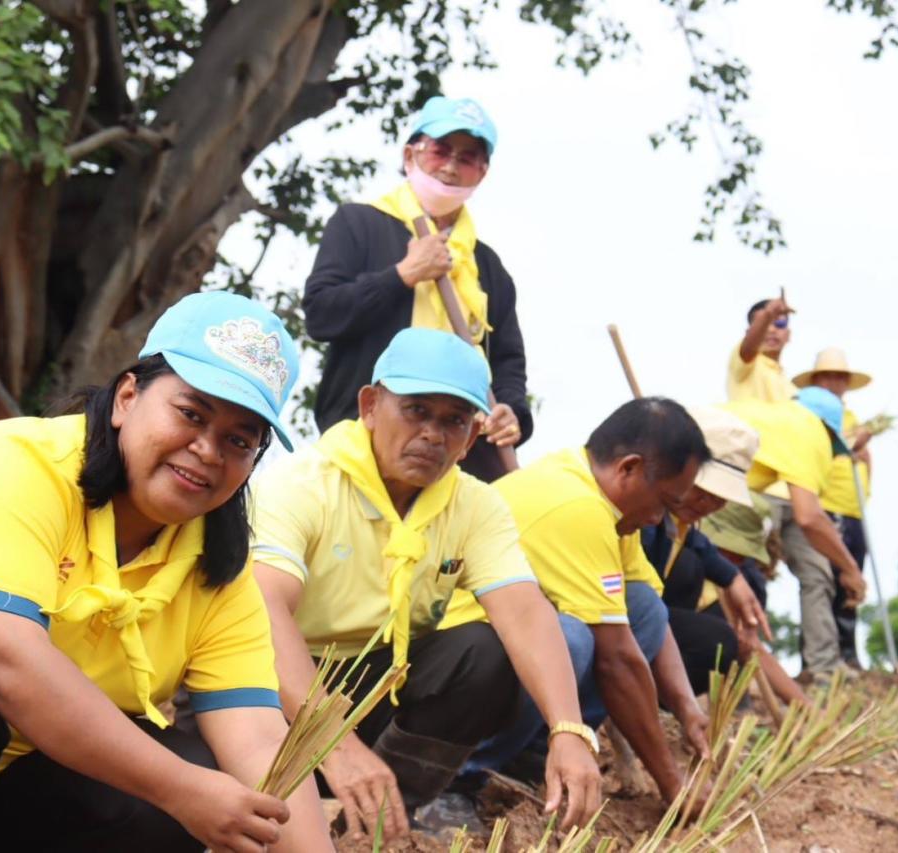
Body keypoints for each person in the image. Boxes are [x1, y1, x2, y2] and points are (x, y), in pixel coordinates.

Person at [0, 292, 333, 853]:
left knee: (197, 777)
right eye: (191, 414)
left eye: (239, 441)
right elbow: (4, 659)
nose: (208, 450)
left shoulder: (215, 562)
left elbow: (258, 741)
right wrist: (184, 791)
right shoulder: (16, 463)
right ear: (126, 398)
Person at [249, 327, 601, 843]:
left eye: (453, 421)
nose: (433, 435)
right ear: (370, 406)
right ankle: (324, 789)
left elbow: (524, 612)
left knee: (483, 651)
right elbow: (262, 613)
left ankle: (387, 812)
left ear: (472, 437)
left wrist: (569, 730)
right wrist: (337, 747)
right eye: (415, 411)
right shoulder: (302, 484)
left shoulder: (475, 505)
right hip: (277, 685)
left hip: (375, 684)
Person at [442, 398, 715, 808]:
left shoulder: (599, 494)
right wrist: (674, 784)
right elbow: (618, 661)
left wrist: (686, 707)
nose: (660, 519)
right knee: (569, 640)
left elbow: (646, 618)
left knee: (642, 605)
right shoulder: (577, 507)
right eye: (664, 502)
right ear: (629, 468)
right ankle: (457, 777)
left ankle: (529, 754)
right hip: (453, 663)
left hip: (496, 654)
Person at [303, 95, 529, 482]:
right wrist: (402, 275)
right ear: (411, 155)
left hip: (457, 454)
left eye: (468, 158)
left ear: (482, 173)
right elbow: (322, 314)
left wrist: (512, 409)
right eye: (440, 151)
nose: (451, 166)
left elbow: (507, 360)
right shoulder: (359, 223)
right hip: (362, 440)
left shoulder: (487, 266)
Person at [640, 407, 806, 706]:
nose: (708, 503)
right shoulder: (644, 519)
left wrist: (732, 577)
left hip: (653, 630)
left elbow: (696, 540)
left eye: (720, 497)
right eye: (702, 490)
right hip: (619, 630)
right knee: (717, 640)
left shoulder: (684, 528)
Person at [722, 388, 868, 680]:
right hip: (731, 492)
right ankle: (741, 672)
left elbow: (809, 515)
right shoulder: (809, 429)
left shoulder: (789, 422)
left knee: (818, 573)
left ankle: (822, 666)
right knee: (744, 576)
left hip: (787, 497)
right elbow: (811, 518)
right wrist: (851, 569)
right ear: (827, 427)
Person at [793, 347, 874, 667]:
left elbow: (863, 459)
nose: (833, 382)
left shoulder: (852, 419)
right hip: (824, 505)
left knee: (852, 580)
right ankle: (823, 657)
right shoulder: (810, 414)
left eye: (839, 377)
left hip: (853, 508)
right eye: (827, 375)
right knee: (826, 578)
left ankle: (847, 651)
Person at [726, 295, 798, 403]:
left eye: (779, 324)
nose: (771, 330)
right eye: (765, 323)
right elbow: (748, 348)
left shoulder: (793, 390)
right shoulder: (744, 362)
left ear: (788, 334)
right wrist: (769, 313)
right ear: (748, 333)